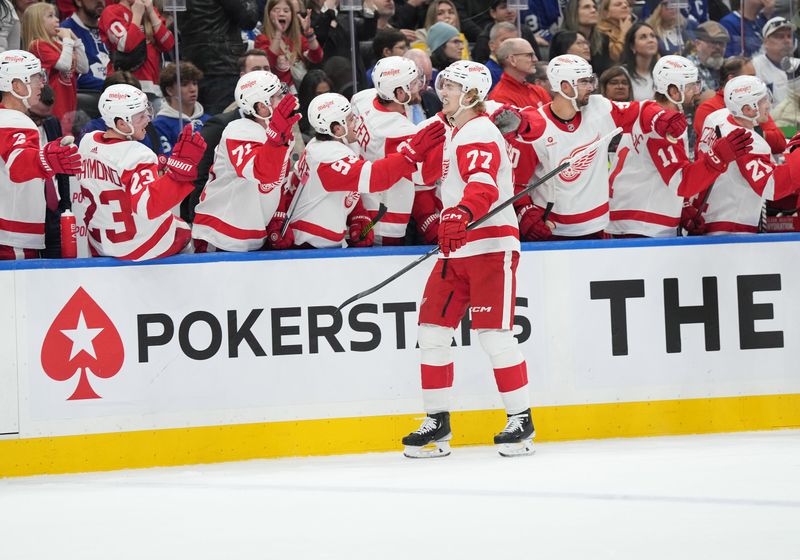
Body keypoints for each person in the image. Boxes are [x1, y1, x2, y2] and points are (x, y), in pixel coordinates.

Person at [402, 60, 534, 459]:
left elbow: (482, 185)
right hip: (455, 248)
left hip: (490, 246)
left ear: (473, 94)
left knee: (494, 335)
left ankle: (521, 418)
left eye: (453, 88)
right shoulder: (455, 129)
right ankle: (437, 420)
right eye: (443, 85)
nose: (444, 94)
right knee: (432, 332)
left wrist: (461, 213)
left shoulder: (477, 131)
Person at [504, 54, 686, 241]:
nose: (591, 87)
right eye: (584, 82)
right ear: (565, 87)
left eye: (591, 81)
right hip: (554, 232)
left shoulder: (599, 109)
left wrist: (661, 118)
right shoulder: (535, 127)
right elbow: (516, 183)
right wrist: (525, 212)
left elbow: (640, 111)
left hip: (597, 228)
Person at [607, 55, 754, 238]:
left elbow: (665, 175)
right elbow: (683, 183)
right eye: (691, 86)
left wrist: (682, 208)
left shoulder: (653, 115)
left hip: (633, 217)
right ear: (674, 91)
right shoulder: (663, 127)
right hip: (642, 224)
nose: (697, 92)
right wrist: (719, 157)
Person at [288, 92, 445, 248]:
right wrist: (409, 155)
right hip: (310, 245)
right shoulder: (327, 158)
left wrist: (358, 215)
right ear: (337, 129)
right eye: (350, 119)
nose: (356, 121)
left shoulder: (322, 145)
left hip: (323, 242)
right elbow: (374, 178)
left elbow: (346, 187)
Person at [78, 85, 205, 259]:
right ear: (121, 123)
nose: (148, 119)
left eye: (146, 112)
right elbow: (150, 206)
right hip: (139, 246)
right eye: (140, 116)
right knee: (184, 230)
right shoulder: (138, 154)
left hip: (100, 244)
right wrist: (181, 169)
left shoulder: (87, 142)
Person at [191, 71, 299, 252]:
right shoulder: (239, 132)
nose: (283, 99)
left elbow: (277, 182)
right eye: (277, 96)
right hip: (220, 236)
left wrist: (277, 217)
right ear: (261, 106)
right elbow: (263, 174)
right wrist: (276, 139)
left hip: (253, 235)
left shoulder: (276, 134)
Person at [692, 75, 800, 234]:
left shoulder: (716, 117)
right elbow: (773, 187)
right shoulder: (749, 142)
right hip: (731, 226)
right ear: (748, 109)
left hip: (706, 215)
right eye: (763, 100)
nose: (768, 105)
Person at [0, 49, 80, 259]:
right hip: (12, 236)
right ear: (16, 86)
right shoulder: (15, 120)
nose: (42, 83)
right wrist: (47, 159)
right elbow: (17, 164)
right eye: (36, 77)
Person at [352, 55, 432, 245]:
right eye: (412, 84)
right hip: (385, 218)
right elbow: (422, 176)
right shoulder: (398, 131)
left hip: (362, 204)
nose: (419, 86)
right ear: (398, 92)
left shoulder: (362, 98)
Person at [176, 0, 259, 116]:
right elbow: (249, 19)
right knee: (223, 123)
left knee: (201, 124)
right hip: (223, 67)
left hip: (193, 65)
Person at [694, 56, 786, 155]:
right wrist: (755, 131)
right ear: (731, 79)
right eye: (750, 77)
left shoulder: (756, 102)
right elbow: (722, 148)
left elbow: (780, 143)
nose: (755, 81)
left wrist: (755, 132)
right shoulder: (708, 109)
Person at [23, 2, 88, 133]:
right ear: (38, 22)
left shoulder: (62, 45)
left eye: (56, 15)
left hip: (69, 101)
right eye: (50, 16)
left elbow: (84, 68)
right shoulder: (37, 45)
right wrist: (68, 41)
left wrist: (76, 41)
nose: (57, 19)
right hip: (54, 105)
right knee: (58, 142)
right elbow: (64, 65)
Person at [99, 0, 174, 107]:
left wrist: (151, 12)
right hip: (124, 87)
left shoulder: (150, 11)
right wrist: (137, 15)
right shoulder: (112, 11)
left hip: (153, 88)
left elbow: (168, 44)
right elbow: (126, 45)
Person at [254, 0, 324, 91]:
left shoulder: (298, 39)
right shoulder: (261, 39)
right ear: (269, 15)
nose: (282, 14)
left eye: (286, 11)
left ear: (292, 16)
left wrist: (309, 34)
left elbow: (316, 57)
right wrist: (278, 32)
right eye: (276, 10)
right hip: (277, 94)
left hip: (300, 91)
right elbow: (269, 62)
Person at [152, 62, 210, 158]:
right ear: (170, 90)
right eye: (184, 84)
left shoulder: (209, 121)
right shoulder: (158, 126)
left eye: (195, 83)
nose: (193, 89)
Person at [59, 0, 108, 92]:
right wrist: (113, 85)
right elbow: (75, 76)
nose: (100, 1)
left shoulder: (108, 26)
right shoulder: (65, 31)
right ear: (78, 2)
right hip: (87, 99)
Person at [488, 38, 550, 109]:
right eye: (529, 55)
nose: (535, 59)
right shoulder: (499, 98)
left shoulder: (539, 91)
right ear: (512, 60)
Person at [752, 17, 796, 107]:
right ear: (766, 42)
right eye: (780, 36)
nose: (787, 40)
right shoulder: (754, 67)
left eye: (789, 36)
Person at [685, 21, 729, 94]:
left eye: (722, 43)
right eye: (713, 42)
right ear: (698, 44)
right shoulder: (688, 68)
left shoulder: (727, 66)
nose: (718, 47)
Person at [620, 22, 659, 101]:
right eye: (643, 37)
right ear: (632, 46)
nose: (650, 40)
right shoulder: (622, 73)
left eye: (652, 36)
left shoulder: (661, 73)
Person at [596, 0, 634, 66]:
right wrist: (624, 33)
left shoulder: (633, 28)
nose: (625, 6)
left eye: (627, 4)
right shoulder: (599, 32)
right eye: (618, 4)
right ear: (606, 12)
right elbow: (615, 57)